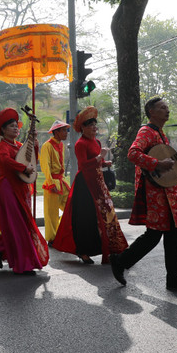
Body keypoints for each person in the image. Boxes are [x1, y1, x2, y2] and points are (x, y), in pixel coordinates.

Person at [110, 97, 177, 292]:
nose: (167, 111)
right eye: (162, 108)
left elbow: (172, 164)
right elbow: (132, 154)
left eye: (167, 107)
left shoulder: (161, 134)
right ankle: (120, 261)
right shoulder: (146, 131)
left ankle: (175, 279)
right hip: (155, 194)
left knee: (174, 235)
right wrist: (157, 164)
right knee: (154, 235)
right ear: (151, 112)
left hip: (168, 192)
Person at [0, 107, 49, 274]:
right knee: (17, 227)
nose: (16, 128)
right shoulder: (2, 146)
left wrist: (35, 143)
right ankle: (23, 264)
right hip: (8, 189)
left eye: (17, 126)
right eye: (11, 126)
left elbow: (31, 159)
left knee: (23, 225)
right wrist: (23, 168)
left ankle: (0, 247)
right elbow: (6, 161)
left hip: (22, 189)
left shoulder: (20, 145)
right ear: (3, 130)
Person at [52, 107, 127, 265]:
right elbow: (84, 165)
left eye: (95, 125)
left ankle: (112, 248)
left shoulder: (97, 142)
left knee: (106, 214)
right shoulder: (80, 144)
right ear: (83, 128)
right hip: (85, 184)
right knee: (85, 218)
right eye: (90, 125)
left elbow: (97, 162)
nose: (94, 127)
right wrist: (100, 157)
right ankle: (83, 251)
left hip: (98, 182)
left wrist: (105, 162)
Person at [41, 120, 70, 245]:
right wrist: (51, 183)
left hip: (61, 181)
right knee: (51, 213)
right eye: (63, 130)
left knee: (70, 207)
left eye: (66, 130)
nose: (66, 133)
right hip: (52, 183)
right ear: (56, 132)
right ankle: (52, 239)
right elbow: (45, 166)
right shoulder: (47, 146)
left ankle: (60, 231)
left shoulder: (61, 145)